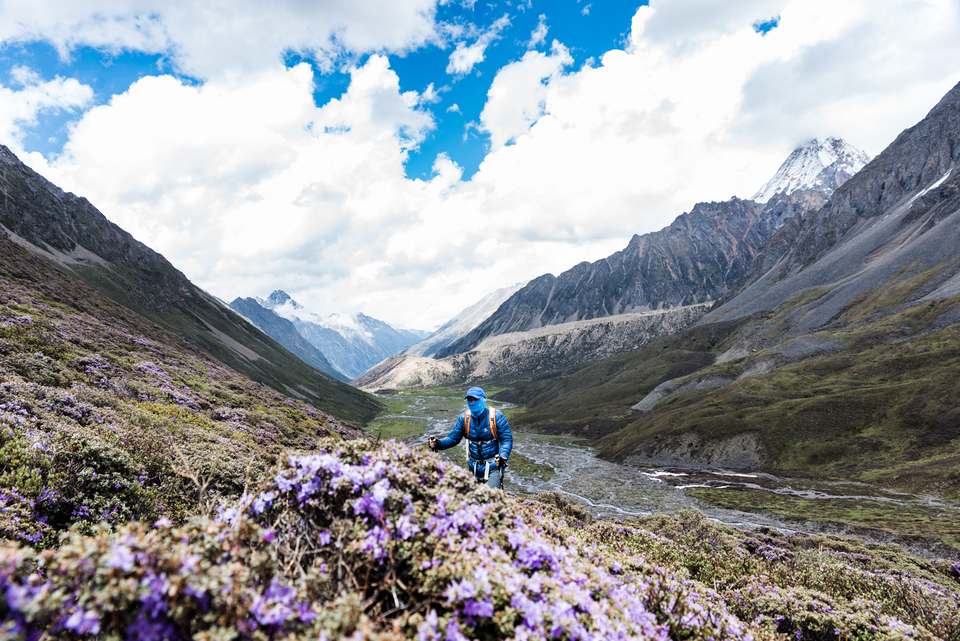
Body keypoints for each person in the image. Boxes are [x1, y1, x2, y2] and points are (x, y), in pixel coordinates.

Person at [429, 386, 512, 490]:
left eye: (475, 399)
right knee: (470, 497)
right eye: (470, 400)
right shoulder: (464, 419)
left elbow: (506, 439)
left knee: (491, 496)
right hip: (473, 468)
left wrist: (503, 456)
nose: (472, 402)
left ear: (483, 400)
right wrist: (438, 443)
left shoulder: (496, 417)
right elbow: (453, 438)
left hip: (493, 467)